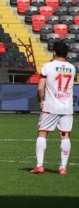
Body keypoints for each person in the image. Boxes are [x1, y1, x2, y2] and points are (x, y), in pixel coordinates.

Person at [31, 41, 75, 176]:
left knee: (42, 133)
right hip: (67, 107)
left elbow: (40, 88)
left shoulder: (48, 66)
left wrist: (41, 102)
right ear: (67, 53)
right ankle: (62, 168)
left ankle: (39, 166)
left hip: (51, 106)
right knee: (65, 135)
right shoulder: (72, 68)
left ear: (54, 52)